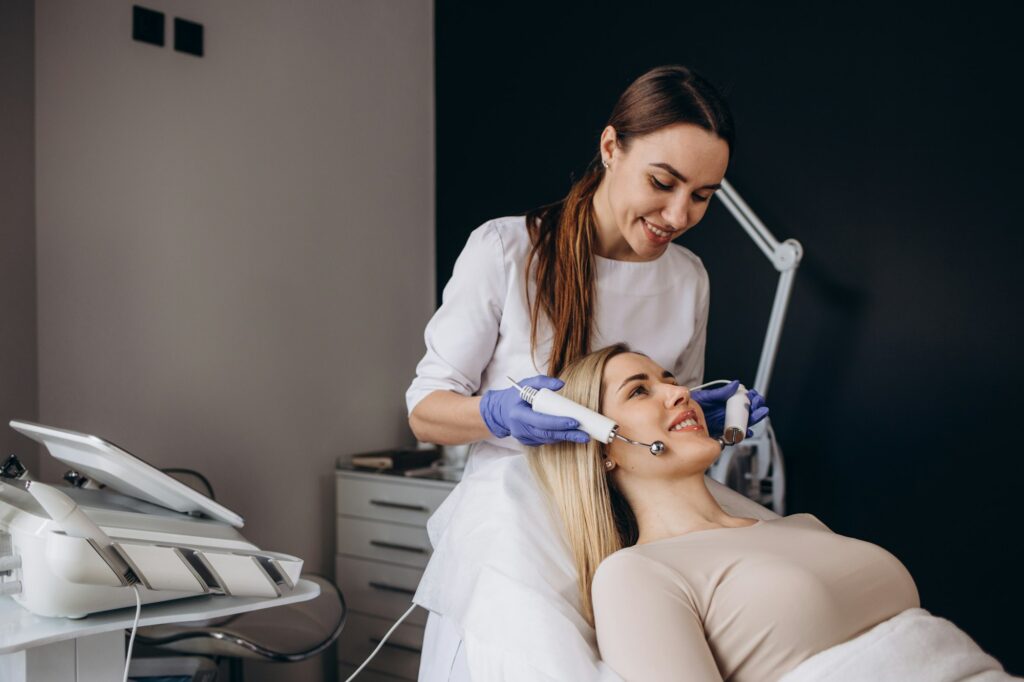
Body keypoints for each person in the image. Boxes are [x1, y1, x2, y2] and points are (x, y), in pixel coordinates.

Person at [407, 65, 768, 681]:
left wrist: (701, 421)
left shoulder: (688, 280)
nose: (679, 213)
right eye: (663, 181)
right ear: (610, 148)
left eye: (703, 195)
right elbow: (424, 410)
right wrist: (497, 415)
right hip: (520, 524)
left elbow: (667, 437)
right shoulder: (506, 251)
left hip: (632, 526)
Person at [529, 344, 1013, 682]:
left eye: (670, 381)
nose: (680, 394)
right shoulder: (636, 575)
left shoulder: (803, 527)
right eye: (640, 391)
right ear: (598, 446)